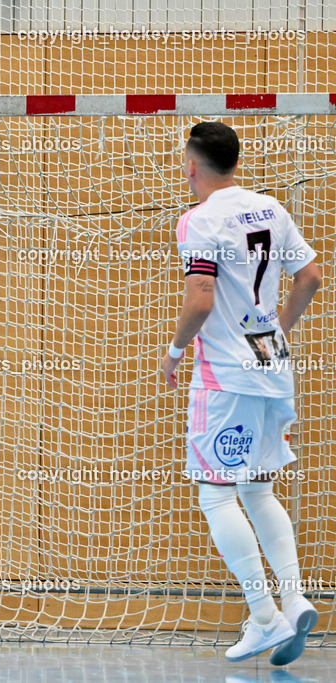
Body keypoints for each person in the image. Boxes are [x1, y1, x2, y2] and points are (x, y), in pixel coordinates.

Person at [161, 121, 322, 664]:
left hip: (224, 375)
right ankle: (294, 598)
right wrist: (277, 330)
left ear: (191, 165)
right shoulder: (272, 208)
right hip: (271, 367)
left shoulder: (198, 221)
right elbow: (312, 277)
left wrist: (176, 350)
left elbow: (201, 301)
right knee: (258, 490)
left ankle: (264, 615)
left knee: (216, 493)